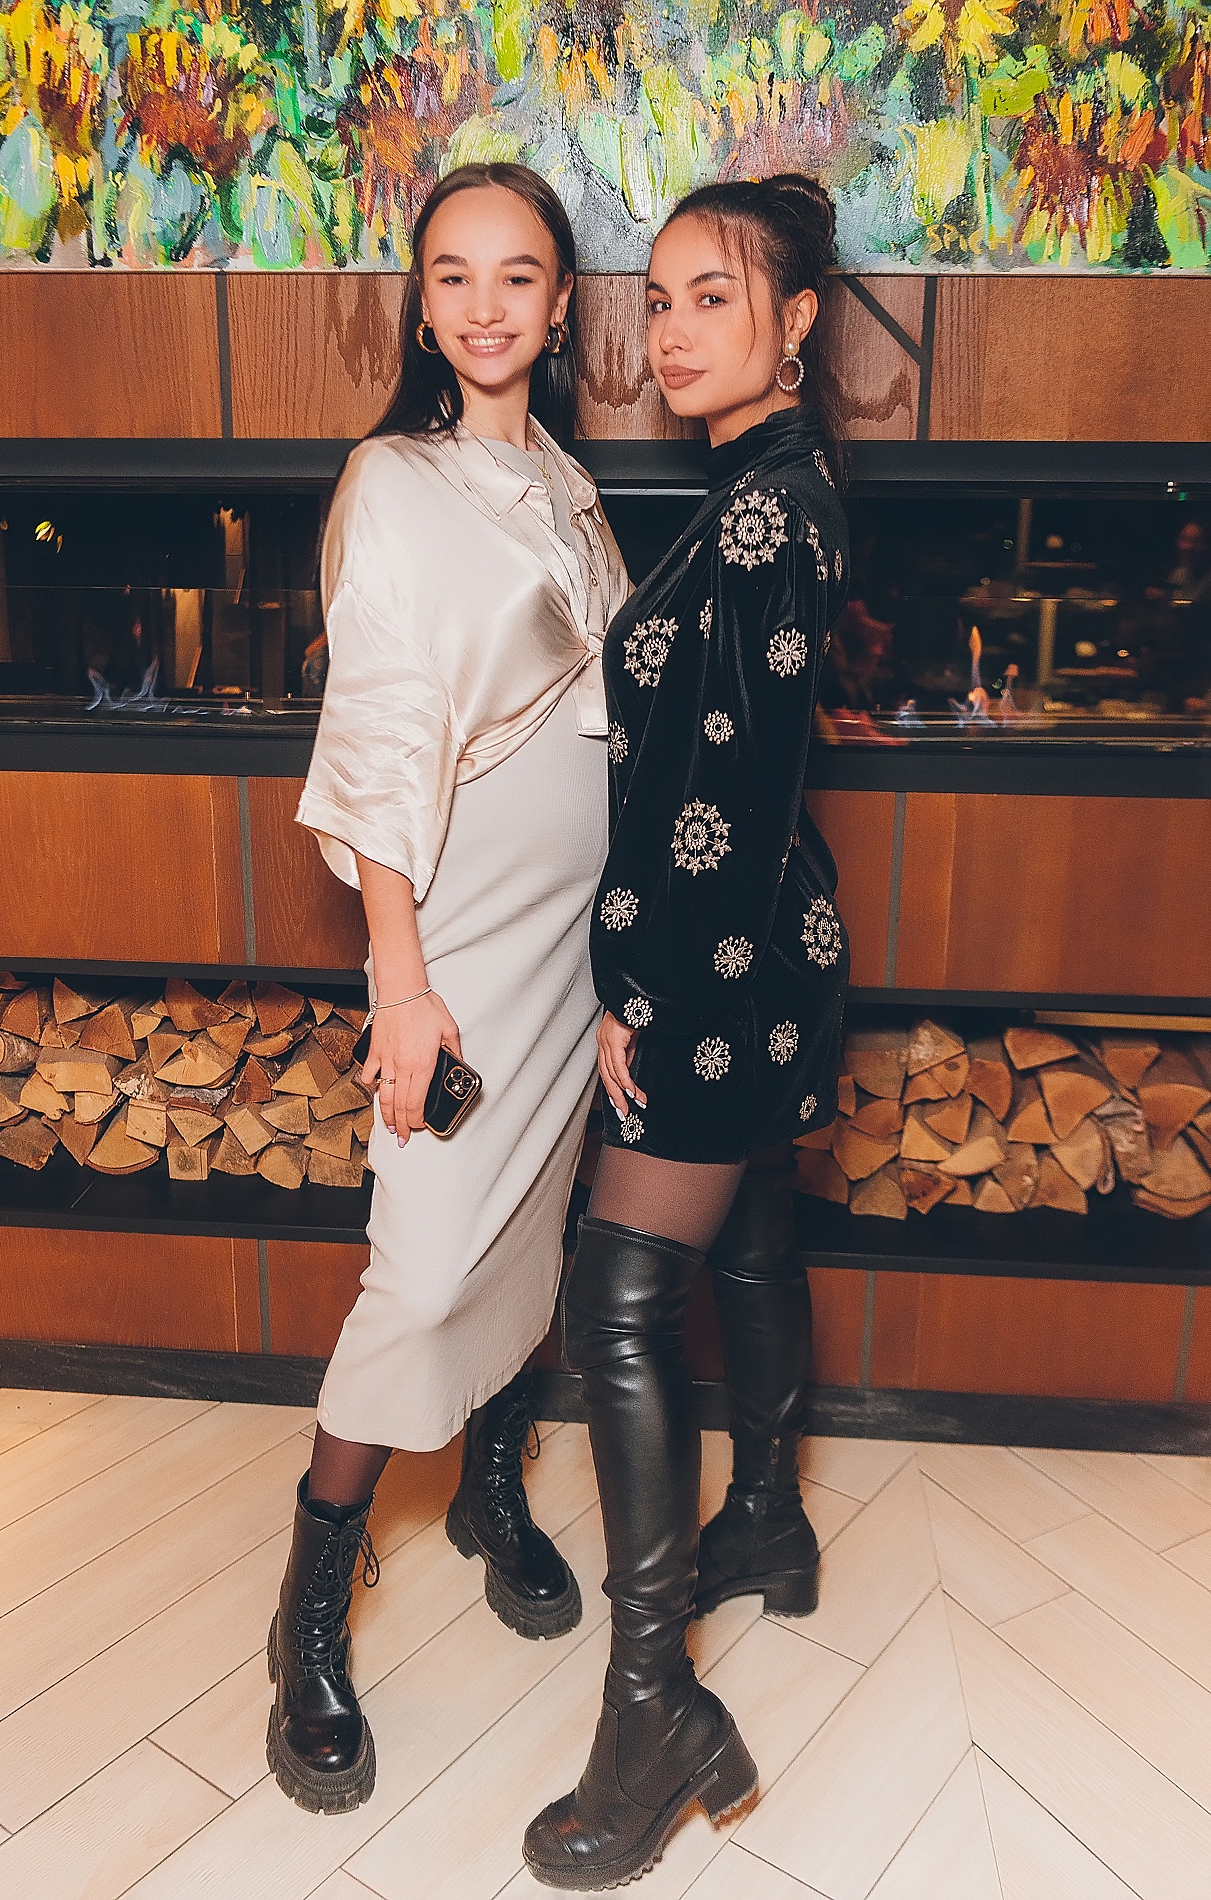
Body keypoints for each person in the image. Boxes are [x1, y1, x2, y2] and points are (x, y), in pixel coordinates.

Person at [268, 163, 628, 1816]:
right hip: (459, 946)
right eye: (455, 276)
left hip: (573, 947)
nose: (487, 305)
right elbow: (383, 727)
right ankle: (307, 1610)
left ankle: (489, 1488)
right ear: (422, 306)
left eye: (520, 275)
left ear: (559, 307)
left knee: (534, 1238)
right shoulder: (395, 481)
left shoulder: (570, 485)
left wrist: (624, 963)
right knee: (416, 1275)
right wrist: (399, 981)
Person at [524, 174, 850, 1889]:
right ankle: (773, 1522)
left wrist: (638, 990)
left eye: (711, 296)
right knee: (755, 1227)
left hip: (719, 967)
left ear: (796, 323)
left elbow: (720, 795)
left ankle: (656, 1709)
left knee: (621, 1304)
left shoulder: (762, 516)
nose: (669, 331)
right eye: (656, 299)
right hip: (768, 946)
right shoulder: (769, 492)